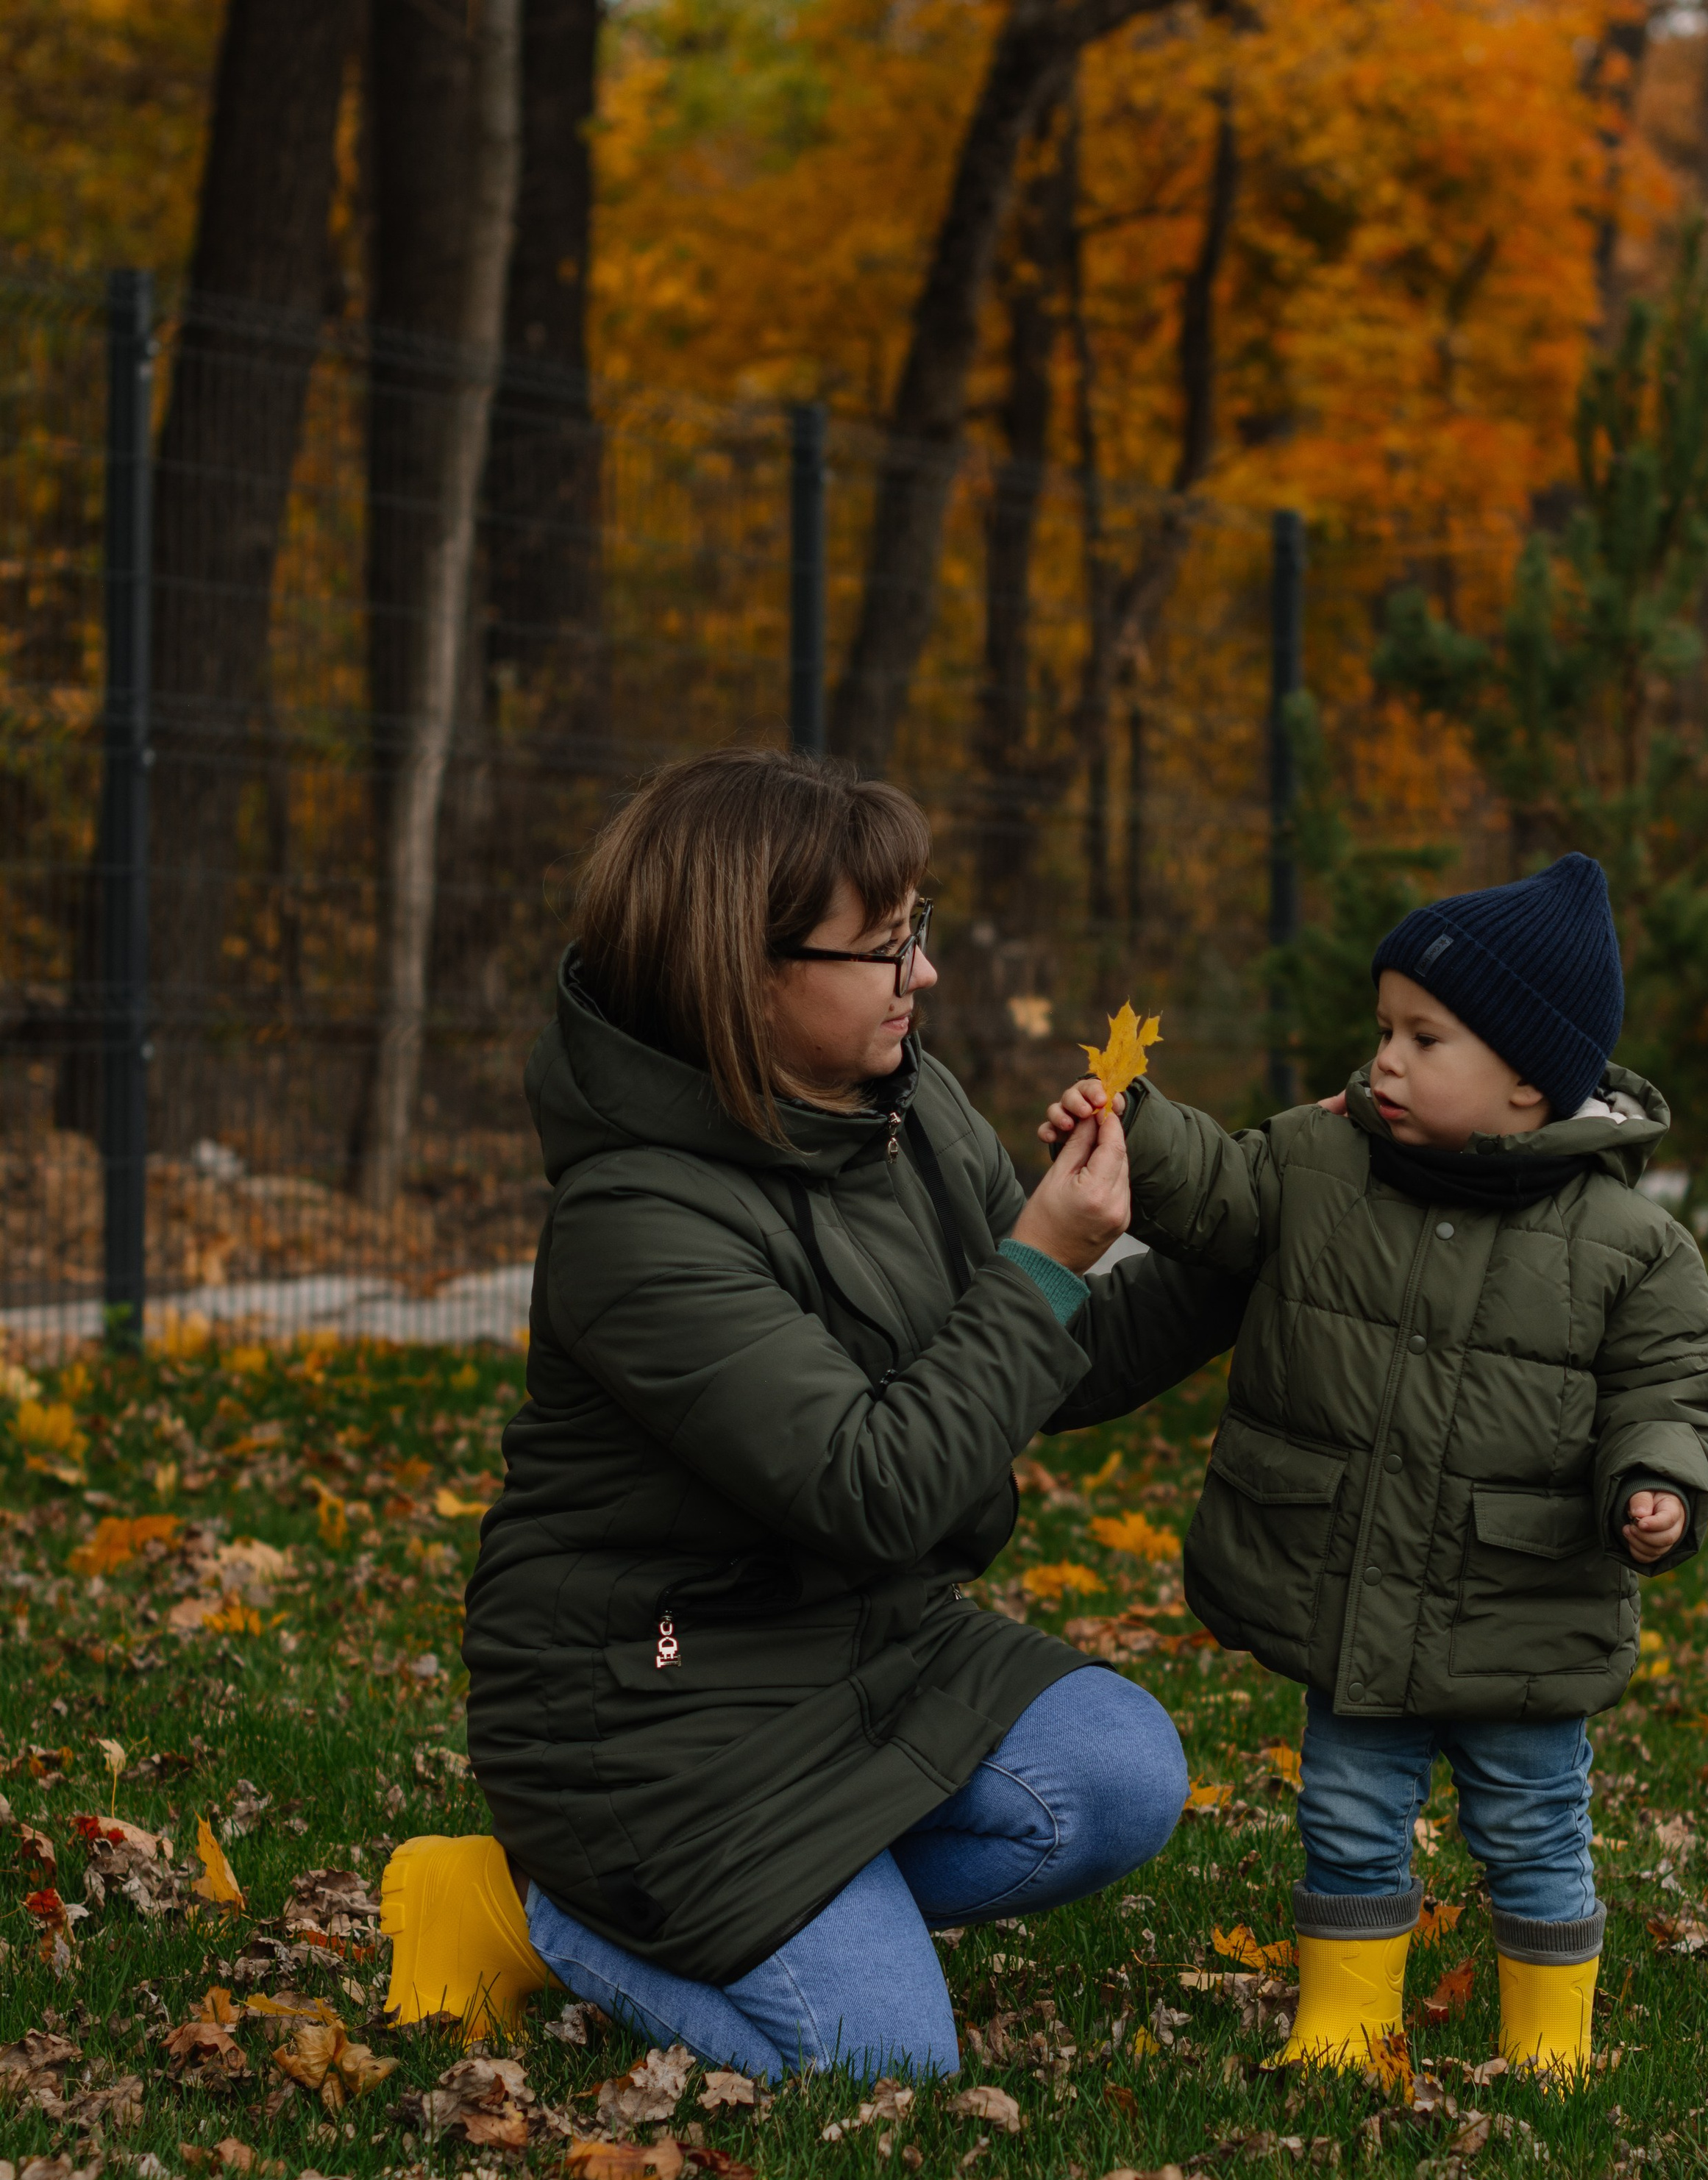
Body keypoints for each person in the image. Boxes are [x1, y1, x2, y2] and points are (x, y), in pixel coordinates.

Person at [382, 748, 1247, 2076]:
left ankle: (812, 1901)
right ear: (744, 970)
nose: (927, 976)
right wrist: (1039, 1262)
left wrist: (1252, 1247)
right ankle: (531, 1906)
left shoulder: (903, 1107)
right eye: (886, 949)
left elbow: (1031, 1364)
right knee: (889, 2069)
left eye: (920, 933)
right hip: (650, 1713)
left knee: (1121, 1775)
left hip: (855, 1643)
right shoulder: (633, 1224)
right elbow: (876, 1482)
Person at [1041, 852, 1708, 2076]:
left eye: (1425, 1038)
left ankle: (1549, 2041)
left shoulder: (1634, 1243)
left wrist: (1661, 1482)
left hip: (1522, 1602)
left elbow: (1672, 1386)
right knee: (1349, 1812)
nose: (1386, 1063)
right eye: (1384, 1032)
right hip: (1358, 1597)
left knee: (1532, 1822)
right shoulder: (1322, 1163)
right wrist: (1136, 1133)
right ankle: (1347, 2020)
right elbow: (1223, 1194)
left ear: (1530, 1080)